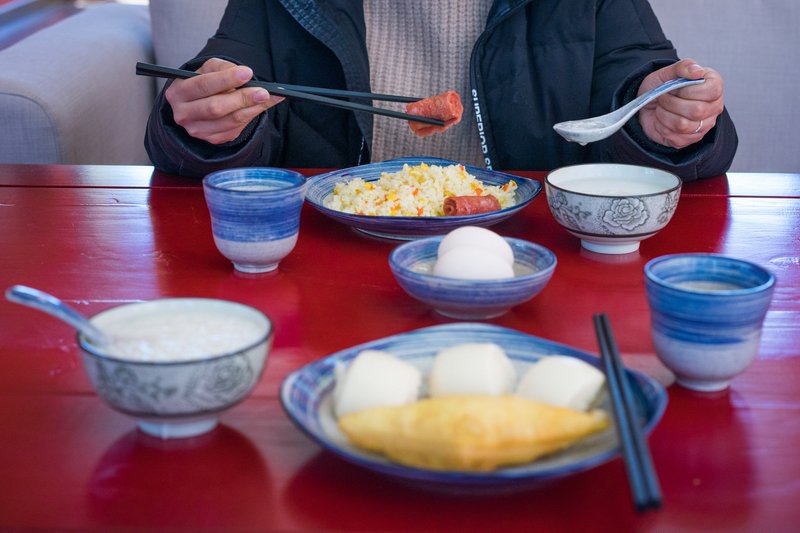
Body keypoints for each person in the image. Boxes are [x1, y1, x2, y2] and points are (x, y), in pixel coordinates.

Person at [145, 0, 737, 181]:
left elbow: (643, 88)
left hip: (535, 256)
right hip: (335, 256)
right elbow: (222, 87)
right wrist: (208, 126)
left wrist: (663, 124)